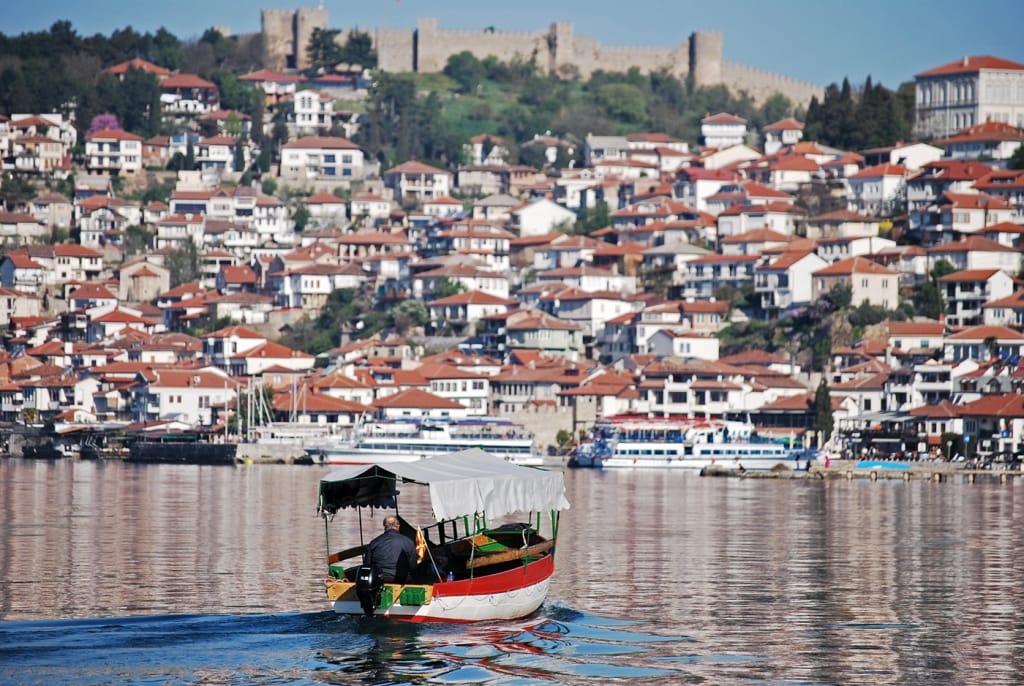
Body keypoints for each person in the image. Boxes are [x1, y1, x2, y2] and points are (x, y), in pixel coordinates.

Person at [365, 515, 418, 584]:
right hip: (403, 579)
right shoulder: (408, 542)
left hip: (381, 579)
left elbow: (367, 564)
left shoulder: (374, 543)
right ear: (398, 526)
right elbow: (413, 566)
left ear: (385, 527)